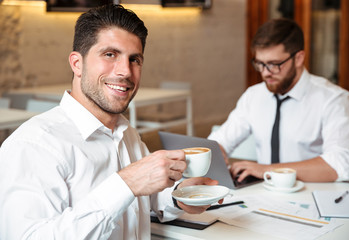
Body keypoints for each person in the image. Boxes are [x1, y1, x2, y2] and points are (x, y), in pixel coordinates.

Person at [0, 4, 218, 239]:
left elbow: (145, 197)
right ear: (77, 64)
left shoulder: (128, 133)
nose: (125, 71)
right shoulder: (34, 145)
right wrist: (125, 183)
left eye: (134, 59)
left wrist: (179, 196)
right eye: (110, 54)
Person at [208, 18, 349, 183]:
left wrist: (267, 170)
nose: (266, 73)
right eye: (260, 64)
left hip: (313, 196)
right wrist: (216, 152)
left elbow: (341, 164)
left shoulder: (332, 98)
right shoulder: (254, 95)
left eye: (274, 64)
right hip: (264, 194)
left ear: (299, 58)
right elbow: (220, 141)